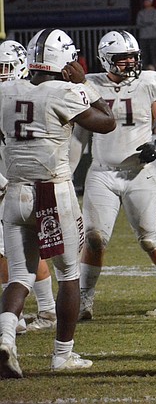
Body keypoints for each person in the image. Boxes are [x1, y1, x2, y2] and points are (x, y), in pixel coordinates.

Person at [0, 29, 116, 378]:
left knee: (19, 275)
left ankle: (5, 339)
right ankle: (62, 354)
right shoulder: (65, 91)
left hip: (14, 191)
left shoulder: (4, 89)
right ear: (62, 58)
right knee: (69, 274)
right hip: (52, 191)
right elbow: (107, 122)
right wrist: (87, 86)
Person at [73, 31, 156, 320]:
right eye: (122, 59)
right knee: (94, 238)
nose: (129, 63)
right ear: (106, 60)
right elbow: (79, 136)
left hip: (140, 173)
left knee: (150, 239)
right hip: (102, 173)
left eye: (133, 57)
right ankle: (84, 299)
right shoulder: (90, 85)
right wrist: (66, 173)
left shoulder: (149, 82)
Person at [0, 41, 58, 335]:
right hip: (21, 180)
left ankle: (33, 313)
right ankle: (43, 310)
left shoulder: (20, 95)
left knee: (16, 252)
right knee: (26, 250)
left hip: (19, 182)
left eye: (4, 68)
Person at [136, 0, 156, 65]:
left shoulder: (155, 11)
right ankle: (144, 71)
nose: (146, 2)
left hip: (153, 36)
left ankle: (155, 72)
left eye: (147, 1)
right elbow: (138, 24)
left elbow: (154, 22)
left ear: (151, 2)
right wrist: (148, 23)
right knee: (143, 55)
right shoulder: (141, 12)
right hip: (143, 36)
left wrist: (144, 23)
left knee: (154, 55)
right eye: (145, 1)